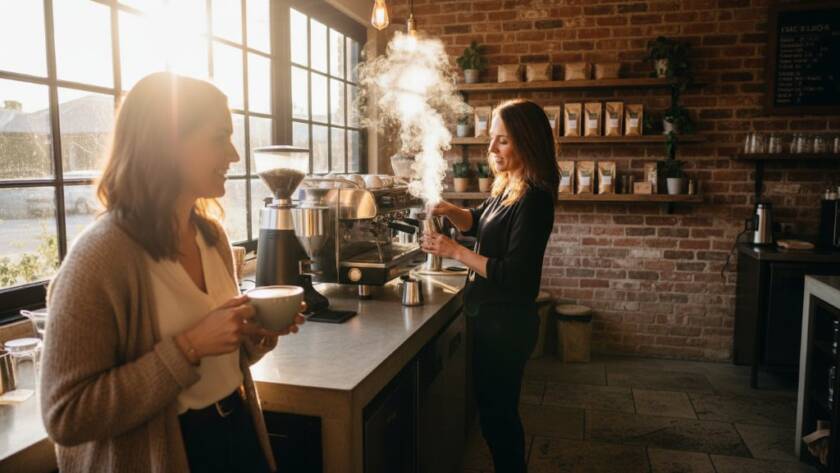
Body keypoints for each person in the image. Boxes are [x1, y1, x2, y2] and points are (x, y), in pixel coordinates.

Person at [40, 72, 303, 473]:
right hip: (167, 453)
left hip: (236, 433)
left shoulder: (210, 236)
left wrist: (253, 335)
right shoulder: (100, 259)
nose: (234, 155)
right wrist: (189, 347)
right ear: (164, 145)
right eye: (219, 137)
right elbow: (66, 415)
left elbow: (220, 364)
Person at [422, 99, 558, 473]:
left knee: (499, 420)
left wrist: (453, 250)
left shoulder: (534, 198)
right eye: (491, 140)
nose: (491, 149)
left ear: (526, 142)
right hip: (491, 321)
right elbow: (480, 221)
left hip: (507, 326)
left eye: (502, 141)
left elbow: (517, 277)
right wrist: (450, 209)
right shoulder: (508, 185)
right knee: (494, 415)